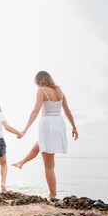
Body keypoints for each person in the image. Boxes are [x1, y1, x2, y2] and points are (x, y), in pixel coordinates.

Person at [14, 71, 78, 199]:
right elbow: (68, 111)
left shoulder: (41, 90)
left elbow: (35, 111)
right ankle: (21, 162)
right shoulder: (59, 90)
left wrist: (25, 129)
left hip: (48, 124)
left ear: (38, 81)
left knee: (49, 166)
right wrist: (74, 127)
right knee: (38, 146)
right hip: (59, 123)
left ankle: (53, 195)